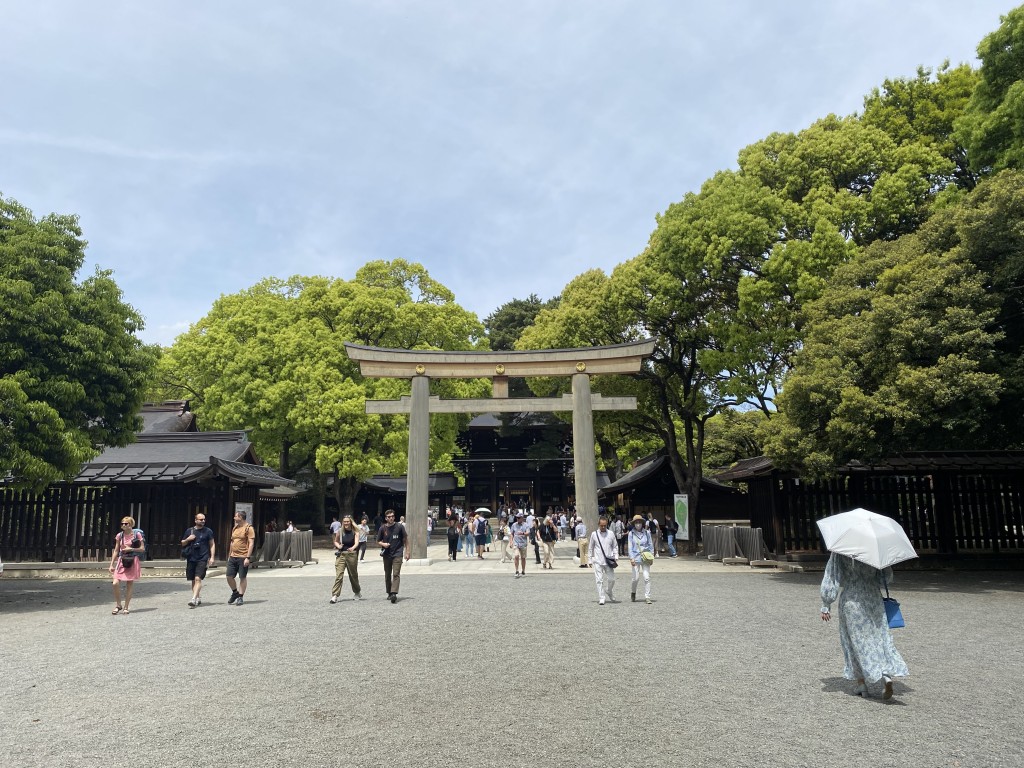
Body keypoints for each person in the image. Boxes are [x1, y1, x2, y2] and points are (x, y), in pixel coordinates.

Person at [820, 552, 909, 699]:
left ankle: (861, 683)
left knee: (855, 642)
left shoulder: (842, 549)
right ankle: (886, 674)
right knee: (880, 636)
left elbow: (832, 574)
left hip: (852, 598)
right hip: (873, 597)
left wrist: (826, 603)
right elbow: (885, 578)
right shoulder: (874, 549)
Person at [108, 517, 144, 615]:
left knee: (129, 584)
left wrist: (131, 549)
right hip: (121, 560)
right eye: (122, 523)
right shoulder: (119, 535)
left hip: (132, 559)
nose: (123, 525)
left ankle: (126, 607)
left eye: (126, 523)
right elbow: (116, 550)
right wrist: (111, 564)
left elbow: (142, 548)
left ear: (131, 525)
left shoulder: (137, 534)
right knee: (115, 583)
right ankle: (118, 604)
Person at [181, 512, 216, 608]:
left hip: (203, 558)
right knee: (193, 579)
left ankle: (193, 599)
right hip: (191, 557)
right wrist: (188, 539)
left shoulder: (208, 531)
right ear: (196, 520)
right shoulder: (189, 531)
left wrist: (212, 557)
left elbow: (212, 544)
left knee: (198, 578)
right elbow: (182, 543)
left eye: (204, 519)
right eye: (201, 519)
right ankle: (197, 597)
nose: (203, 521)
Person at [377, 509, 410, 603]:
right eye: (389, 517)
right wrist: (383, 544)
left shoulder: (399, 527)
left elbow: (405, 539)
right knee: (387, 574)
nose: (391, 518)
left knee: (396, 573)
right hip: (387, 554)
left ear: (394, 517)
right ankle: (389, 592)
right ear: (386, 518)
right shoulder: (382, 528)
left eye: (392, 516)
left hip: (398, 553)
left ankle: (394, 593)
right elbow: (378, 541)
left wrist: (407, 551)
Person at [226, 509, 255, 606]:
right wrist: (229, 554)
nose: (234, 518)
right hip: (233, 556)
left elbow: (251, 543)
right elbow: (232, 542)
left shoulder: (249, 528)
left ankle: (240, 596)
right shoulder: (235, 528)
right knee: (229, 576)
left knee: (242, 577)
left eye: (236, 516)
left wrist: (248, 557)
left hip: (243, 556)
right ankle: (235, 592)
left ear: (240, 517)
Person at [331, 515, 362, 603]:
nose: (346, 523)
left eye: (347, 521)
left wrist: (353, 548)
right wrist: (338, 545)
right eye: (344, 521)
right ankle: (335, 595)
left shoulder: (355, 532)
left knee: (353, 575)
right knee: (339, 575)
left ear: (351, 522)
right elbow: (336, 541)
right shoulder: (340, 531)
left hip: (351, 555)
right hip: (341, 555)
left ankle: (357, 591)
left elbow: (357, 542)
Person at [588, 516, 618, 605]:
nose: (603, 527)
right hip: (597, 560)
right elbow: (590, 548)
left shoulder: (611, 534)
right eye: (601, 526)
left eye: (605, 525)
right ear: (598, 525)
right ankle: (601, 597)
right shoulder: (594, 534)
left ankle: (609, 591)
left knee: (612, 579)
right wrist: (589, 560)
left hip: (609, 560)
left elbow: (615, 546)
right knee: (599, 580)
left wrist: (616, 555)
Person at [628, 514, 654, 604]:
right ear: (634, 524)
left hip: (645, 557)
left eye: (639, 522)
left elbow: (650, 545)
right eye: (636, 522)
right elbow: (630, 547)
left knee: (647, 577)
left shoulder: (647, 533)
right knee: (635, 578)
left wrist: (652, 557)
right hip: (635, 557)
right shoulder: (631, 534)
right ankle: (633, 592)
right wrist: (631, 558)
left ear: (642, 523)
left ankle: (647, 596)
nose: (638, 524)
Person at [511, 511, 530, 578]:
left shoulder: (526, 525)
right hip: (516, 543)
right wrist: (511, 542)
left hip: (523, 543)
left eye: (519, 518)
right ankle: (516, 570)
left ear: (522, 518)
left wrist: (523, 533)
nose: (518, 519)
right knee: (516, 556)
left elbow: (528, 533)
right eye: (517, 518)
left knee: (523, 558)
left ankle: (523, 570)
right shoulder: (514, 525)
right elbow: (512, 534)